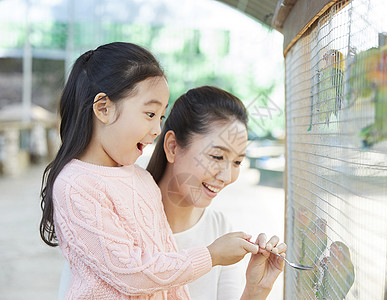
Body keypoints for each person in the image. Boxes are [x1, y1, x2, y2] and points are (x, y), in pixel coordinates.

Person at [40, 42, 264, 299]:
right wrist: (210, 255)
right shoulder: (75, 185)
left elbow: (168, 276)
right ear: (103, 108)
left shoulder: (142, 179)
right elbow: (130, 273)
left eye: (161, 116)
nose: (157, 128)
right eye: (150, 113)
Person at [147, 86, 286, 300]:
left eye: (237, 162)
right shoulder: (126, 222)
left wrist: (256, 290)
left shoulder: (220, 230)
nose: (226, 176)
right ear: (173, 147)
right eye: (218, 157)